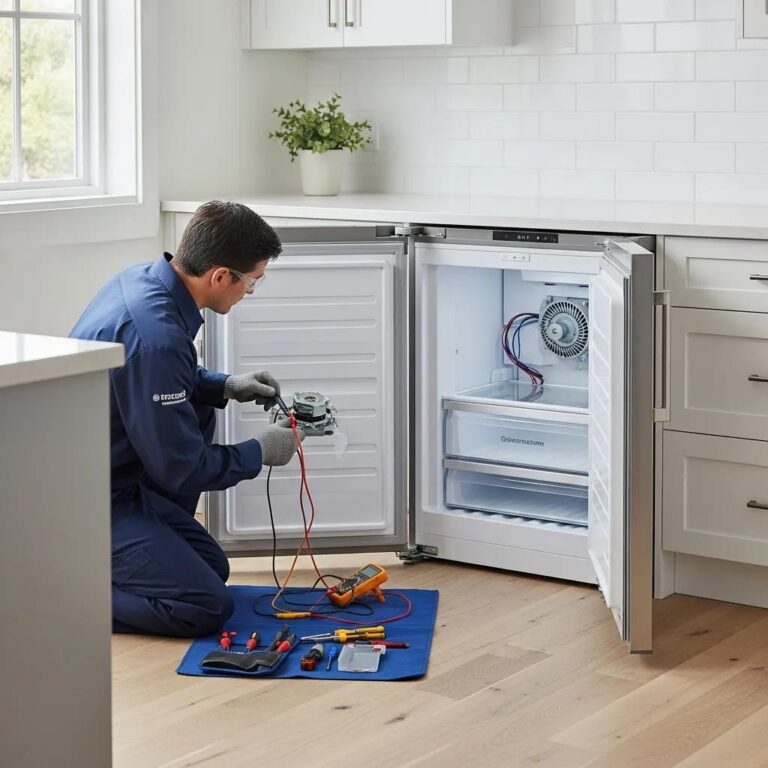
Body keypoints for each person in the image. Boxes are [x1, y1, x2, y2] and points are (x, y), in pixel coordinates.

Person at [70, 201, 303, 637]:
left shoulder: (141, 279)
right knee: (204, 606)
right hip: (84, 502)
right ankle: (55, 593)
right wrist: (260, 451)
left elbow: (149, 379)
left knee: (213, 568)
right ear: (219, 276)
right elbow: (181, 466)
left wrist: (223, 385)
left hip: (109, 479)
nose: (249, 291)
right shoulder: (157, 337)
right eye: (251, 282)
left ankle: (100, 561)